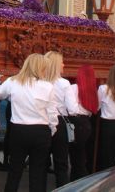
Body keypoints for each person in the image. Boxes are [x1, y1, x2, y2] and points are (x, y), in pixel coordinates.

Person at [0, 53, 57, 192]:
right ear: (40, 68)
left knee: (14, 171)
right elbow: (52, 113)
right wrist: (52, 130)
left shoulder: (13, 81)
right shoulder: (48, 86)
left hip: (19, 130)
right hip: (41, 131)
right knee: (38, 172)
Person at [64, 65, 97, 181]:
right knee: (81, 155)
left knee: (76, 158)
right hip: (87, 123)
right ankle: (77, 180)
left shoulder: (72, 88)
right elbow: (94, 109)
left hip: (76, 123)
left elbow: (71, 109)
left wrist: (78, 109)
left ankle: (81, 182)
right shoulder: (93, 90)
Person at [43, 51, 70, 187]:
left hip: (42, 123)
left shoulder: (40, 82)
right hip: (60, 122)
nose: (64, 64)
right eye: (61, 62)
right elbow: (70, 107)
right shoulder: (64, 84)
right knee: (61, 163)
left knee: (41, 162)